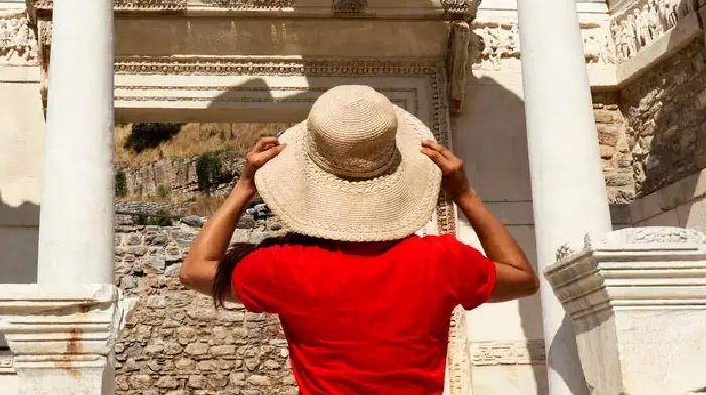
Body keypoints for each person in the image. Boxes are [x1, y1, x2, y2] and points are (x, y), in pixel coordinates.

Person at [180, 85, 540, 395]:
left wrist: (244, 188)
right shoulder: (442, 261)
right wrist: (465, 196)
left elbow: (194, 270)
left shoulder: (283, 266)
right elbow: (522, 277)